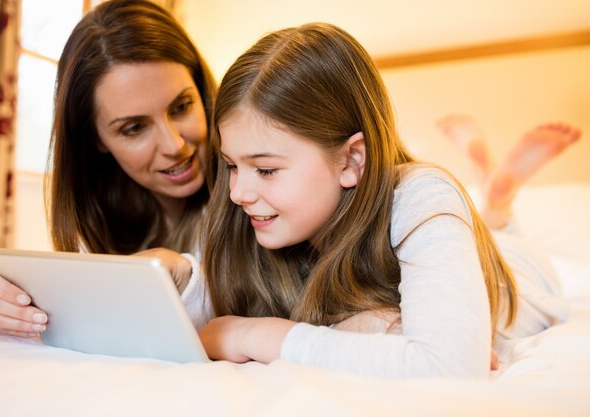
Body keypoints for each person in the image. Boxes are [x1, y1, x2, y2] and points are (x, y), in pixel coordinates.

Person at [196, 23, 571, 377]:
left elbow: (450, 364)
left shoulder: (421, 192)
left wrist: (261, 335)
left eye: (266, 170)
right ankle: (493, 197)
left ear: (352, 160)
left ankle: (497, 205)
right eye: (231, 165)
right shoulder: (265, 220)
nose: (238, 193)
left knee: (502, 237)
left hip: (521, 274)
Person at [0, 0, 216, 338]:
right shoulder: (101, 213)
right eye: (134, 128)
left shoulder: (258, 189)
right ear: (95, 139)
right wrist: (2, 293)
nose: (174, 145)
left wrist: (185, 275)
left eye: (182, 106)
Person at [436, 114, 581, 228]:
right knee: (499, 236)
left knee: (482, 242)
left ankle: (496, 201)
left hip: (466, 253)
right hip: (517, 259)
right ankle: (497, 204)